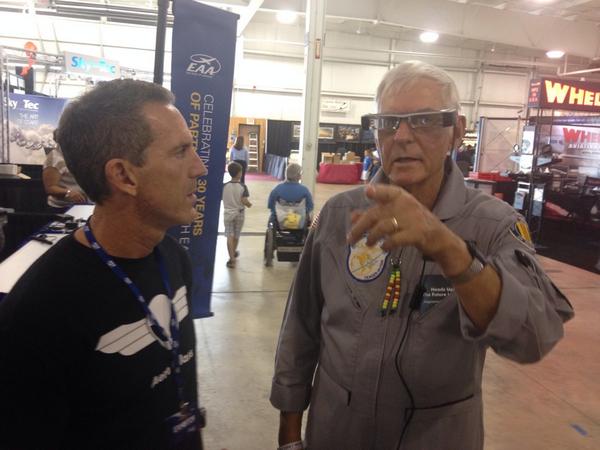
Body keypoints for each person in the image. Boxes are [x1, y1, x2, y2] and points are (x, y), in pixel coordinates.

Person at [270, 60, 574, 450]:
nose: (402, 136)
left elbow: (533, 338)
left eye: (425, 120)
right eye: (388, 122)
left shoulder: (495, 226)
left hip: (436, 437)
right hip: (337, 430)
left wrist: (449, 249)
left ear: (457, 132)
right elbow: (301, 329)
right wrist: (289, 437)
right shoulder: (338, 216)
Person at [0, 79, 208, 449]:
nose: (200, 168)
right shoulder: (41, 309)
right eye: (181, 152)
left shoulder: (173, 258)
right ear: (124, 175)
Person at [42, 130, 90, 211]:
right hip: (62, 208)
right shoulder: (55, 158)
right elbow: (50, 188)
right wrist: (68, 192)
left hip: (82, 205)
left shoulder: (75, 153)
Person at [222, 161, 252, 269]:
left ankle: (232, 259)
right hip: (239, 213)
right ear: (239, 173)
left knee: (229, 235)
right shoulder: (242, 186)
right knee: (236, 235)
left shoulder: (224, 186)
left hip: (228, 213)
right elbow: (244, 200)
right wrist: (249, 205)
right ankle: (233, 253)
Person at [267, 163, 314, 227]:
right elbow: (310, 207)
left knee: (272, 218)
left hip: (280, 220)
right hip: (299, 221)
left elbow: (270, 206)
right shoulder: (305, 190)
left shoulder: (277, 189)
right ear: (298, 176)